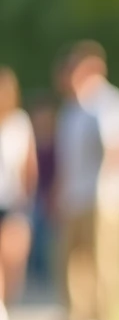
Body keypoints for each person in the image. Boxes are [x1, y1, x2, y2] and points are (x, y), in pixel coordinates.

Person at [55, 41, 119, 320]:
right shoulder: (72, 109)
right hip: (75, 196)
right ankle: (78, 314)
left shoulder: (108, 103)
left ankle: (107, 317)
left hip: (104, 195)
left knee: (105, 258)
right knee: (73, 259)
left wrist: (109, 184)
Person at [0, 67, 38, 320]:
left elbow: (29, 166)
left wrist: (26, 201)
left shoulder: (19, 124)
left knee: (12, 261)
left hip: (12, 202)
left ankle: (7, 307)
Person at [26, 95, 58, 290]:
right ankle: (38, 271)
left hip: (52, 194)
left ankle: (47, 271)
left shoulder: (56, 141)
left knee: (49, 235)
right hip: (35, 196)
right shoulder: (32, 141)